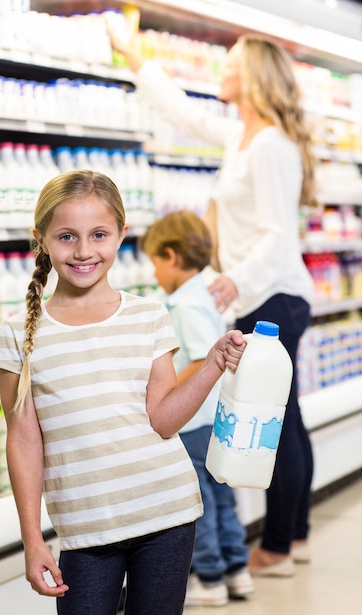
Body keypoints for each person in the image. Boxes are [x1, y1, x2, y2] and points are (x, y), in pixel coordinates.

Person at [0, 169, 246, 615]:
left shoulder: (149, 314)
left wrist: (211, 364)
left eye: (99, 235)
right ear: (41, 239)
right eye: (67, 236)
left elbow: (163, 419)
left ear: (122, 235)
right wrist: (33, 538)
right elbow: (24, 441)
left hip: (167, 515)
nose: (85, 250)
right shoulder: (19, 334)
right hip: (85, 530)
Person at [108, 29, 316, 577]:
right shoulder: (241, 137)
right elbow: (183, 114)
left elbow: (276, 233)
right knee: (284, 419)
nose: (221, 70)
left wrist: (233, 279)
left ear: (252, 75)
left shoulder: (270, 144)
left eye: (231, 62)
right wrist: (136, 59)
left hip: (273, 295)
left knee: (276, 419)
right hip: (261, 293)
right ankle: (293, 538)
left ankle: (277, 546)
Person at [140, 209, 254, 607]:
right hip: (214, 420)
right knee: (222, 501)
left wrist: (167, 386)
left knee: (199, 504)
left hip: (192, 425)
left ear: (170, 256)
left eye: (154, 262)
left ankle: (210, 578)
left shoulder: (183, 306)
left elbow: (204, 358)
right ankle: (237, 571)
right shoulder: (201, 298)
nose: (153, 274)